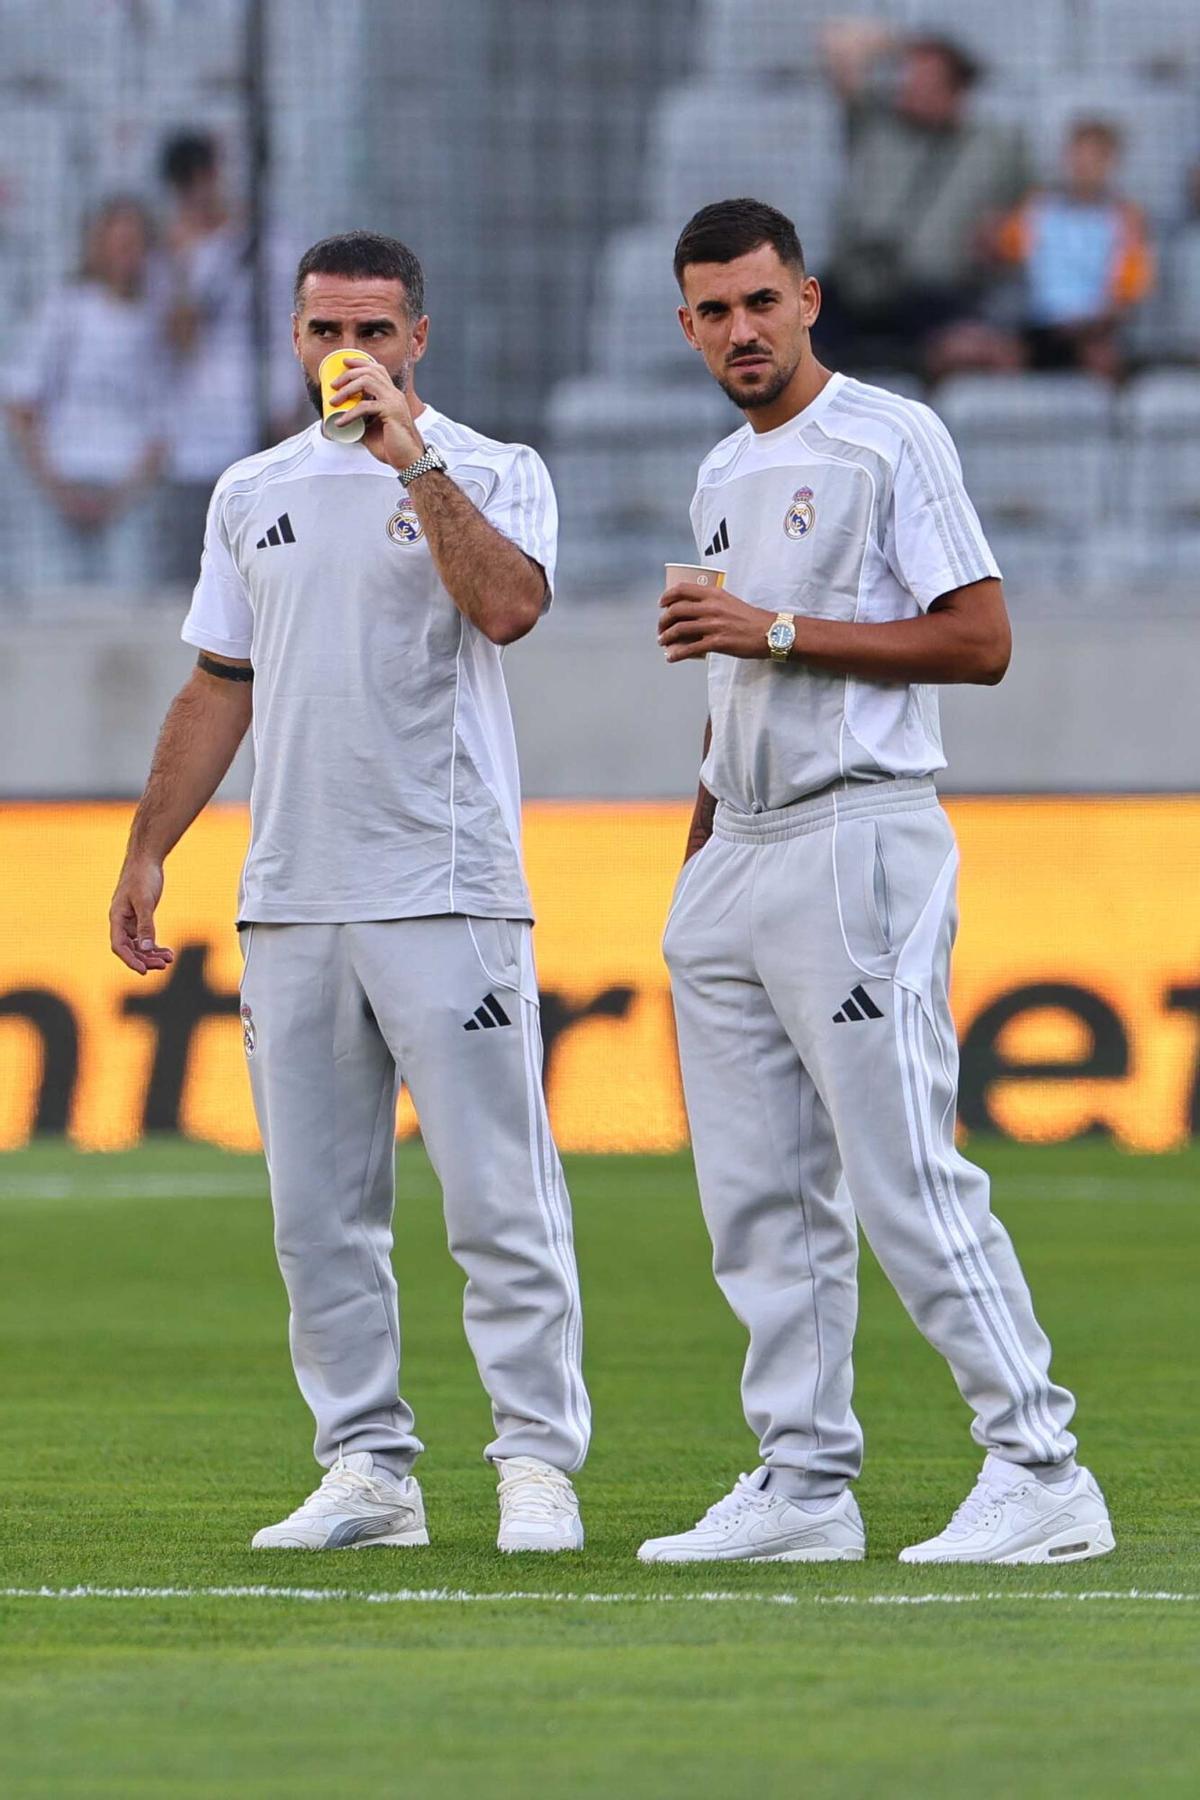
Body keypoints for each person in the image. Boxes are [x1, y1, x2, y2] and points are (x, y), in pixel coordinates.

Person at [638, 197, 1114, 1566]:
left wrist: (773, 630)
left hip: (859, 836)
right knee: (757, 1197)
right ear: (686, 324)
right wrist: (701, 855)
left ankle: (1041, 1468)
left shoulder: (890, 437)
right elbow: (730, 678)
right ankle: (802, 1486)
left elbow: (981, 640)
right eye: (713, 310)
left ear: (810, 298)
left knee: (902, 1172)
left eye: (760, 301)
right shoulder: (724, 470)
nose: (740, 329)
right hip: (738, 847)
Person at [109, 229, 589, 1553]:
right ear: (296, 334)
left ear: (417, 339)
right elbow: (221, 680)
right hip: (292, 896)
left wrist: (410, 458)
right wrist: (151, 845)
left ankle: (536, 1464)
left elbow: (508, 609)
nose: (348, 354)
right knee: (317, 1219)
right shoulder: (249, 489)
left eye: (373, 331)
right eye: (326, 330)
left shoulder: (492, 470)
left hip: (447, 885)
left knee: (499, 1199)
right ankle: (368, 1470)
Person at [817, 22, 1030, 375]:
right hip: (857, 285)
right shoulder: (875, 122)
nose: (908, 85)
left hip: (937, 296)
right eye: (907, 74)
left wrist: (1003, 235)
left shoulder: (996, 147)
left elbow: (1032, 214)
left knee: (969, 350)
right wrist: (902, 46)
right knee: (788, 333)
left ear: (957, 90)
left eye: (924, 79)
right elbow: (838, 45)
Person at [155, 129, 301, 584]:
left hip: (263, 428)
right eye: (186, 185)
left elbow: (300, 332)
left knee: (266, 571)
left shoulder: (273, 246)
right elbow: (177, 343)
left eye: (203, 178)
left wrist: (293, 407)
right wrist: (179, 269)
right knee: (192, 577)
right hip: (196, 441)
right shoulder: (171, 256)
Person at [4, 197, 165, 594]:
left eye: (133, 244)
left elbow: (166, 420)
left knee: (127, 610)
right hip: (59, 485)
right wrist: (55, 488)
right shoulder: (64, 310)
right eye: (115, 243)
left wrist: (125, 493)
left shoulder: (155, 321)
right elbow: (22, 403)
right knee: (52, 610)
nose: (123, 255)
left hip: (127, 493)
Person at [990, 119, 1154, 379]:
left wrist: (1093, 322)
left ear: (1111, 163)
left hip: (1092, 329)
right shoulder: (1036, 208)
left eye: (1095, 157)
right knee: (999, 358)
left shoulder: (1126, 219)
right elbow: (1003, 258)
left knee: (1103, 361)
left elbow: (1126, 295)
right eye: (1079, 154)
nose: (1084, 165)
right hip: (1037, 324)